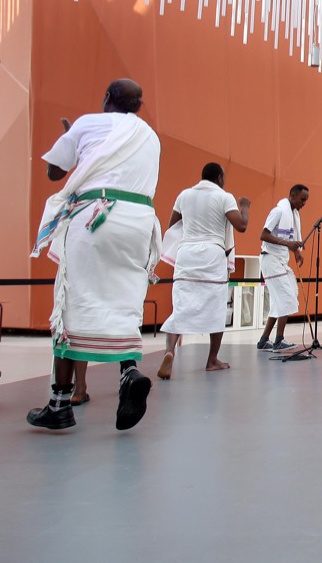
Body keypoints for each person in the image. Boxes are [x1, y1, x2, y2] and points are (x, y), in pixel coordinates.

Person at [28, 78, 161, 431]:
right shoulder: (150, 136)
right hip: (139, 223)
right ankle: (129, 373)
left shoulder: (88, 123)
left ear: (106, 99)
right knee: (124, 302)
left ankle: (59, 404)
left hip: (96, 217)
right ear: (139, 105)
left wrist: (78, 146)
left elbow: (54, 171)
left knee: (71, 303)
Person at [157, 163, 251, 378]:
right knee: (216, 306)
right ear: (219, 177)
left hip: (186, 255)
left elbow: (173, 226)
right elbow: (241, 225)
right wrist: (244, 207)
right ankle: (212, 360)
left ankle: (170, 351)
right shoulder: (224, 196)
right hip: (212, 255)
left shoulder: (184, 195)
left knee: (180, 305)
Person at [257, 184, 308, 352]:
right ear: (292, 195)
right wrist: (288, 244)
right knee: (286, 298)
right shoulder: (278, 211)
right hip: (270, 260)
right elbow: (263, 235)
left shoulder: (294, 215)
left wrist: (296, 252)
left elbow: (290, 238)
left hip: (281, 261)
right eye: (302, 199)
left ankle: (264, 340)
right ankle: (279, 340)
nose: (304, 203)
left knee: (281, 300)